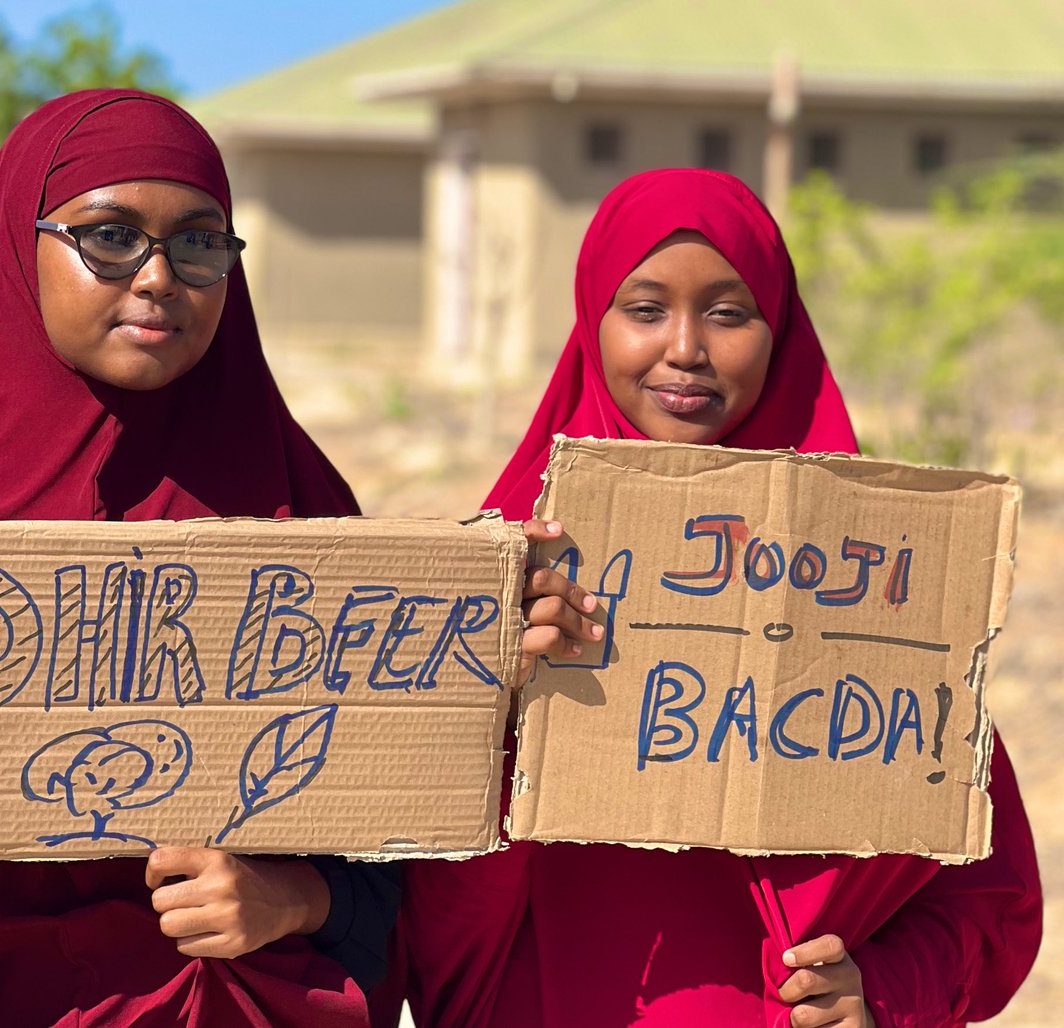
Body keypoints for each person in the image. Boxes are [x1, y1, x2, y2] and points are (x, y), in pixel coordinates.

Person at [383, 169, 1042, 1027]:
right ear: (591, 322)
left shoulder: (869, 574)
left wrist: (882, 992)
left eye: (729, 313)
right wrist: (491, 695)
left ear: (781, 331)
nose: (686, 348)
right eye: (646, 309)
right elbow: (405, 892)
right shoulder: (511, 562)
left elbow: (989, 895)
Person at [0, 89, 399, 1027]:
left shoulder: (303, 517)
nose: (159, 277)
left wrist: (295, 898)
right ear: (17, 249)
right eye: (109, 236)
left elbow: (398, 844)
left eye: (200, 242)